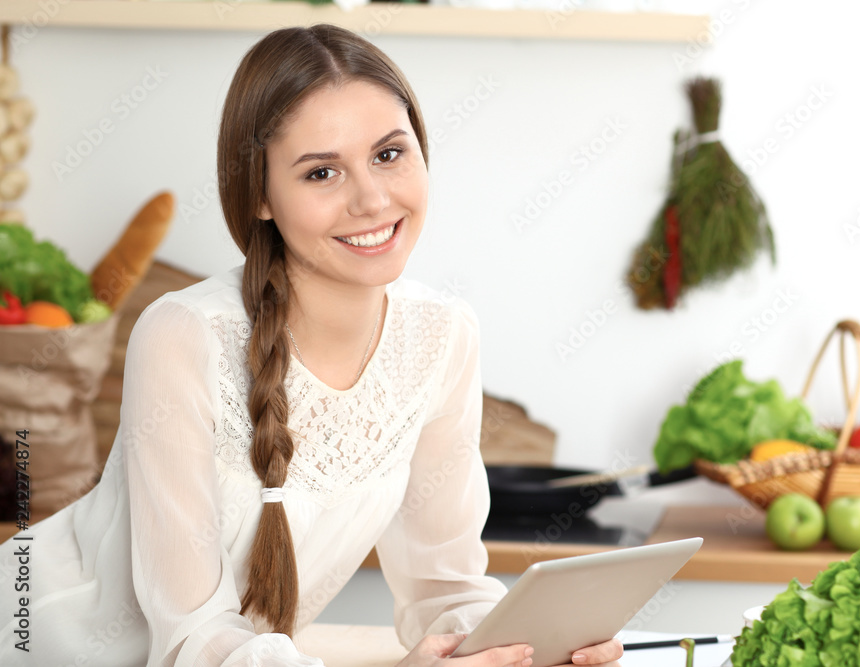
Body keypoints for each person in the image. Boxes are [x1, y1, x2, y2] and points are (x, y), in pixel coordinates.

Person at [0, 24, 624, 667]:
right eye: (322, 172)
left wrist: (524, 646)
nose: (373, 199)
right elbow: (194, 640)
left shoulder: (442, 336)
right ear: (261, 196)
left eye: (389, 154)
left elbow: (446, 590)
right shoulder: (183, 335)